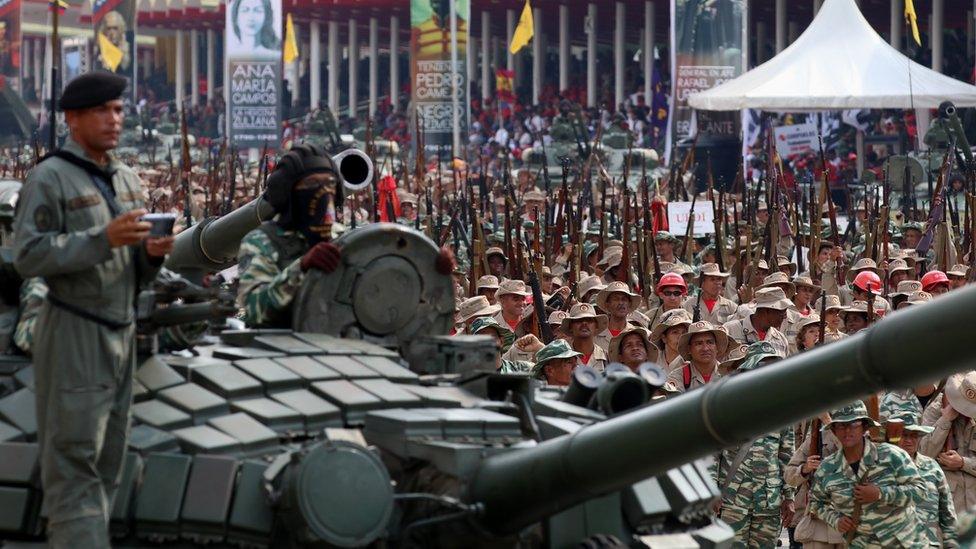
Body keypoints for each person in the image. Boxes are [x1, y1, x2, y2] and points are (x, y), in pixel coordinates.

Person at [12, 72, 174, 547]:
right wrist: (100, 239)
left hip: (121, 332)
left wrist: (151, 255)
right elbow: (30, 256)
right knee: (74, 468)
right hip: (74, 331)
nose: (114, 119)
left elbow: (134, 268)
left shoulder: (125, 179)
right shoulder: (50, 177)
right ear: (74, 118)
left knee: (108, 467)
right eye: (103, 111)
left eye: (119, 110)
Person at [808, 401, 929, 548]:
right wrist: (835, 519)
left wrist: (881, 493)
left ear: (865, 427)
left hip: (904, 542)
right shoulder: (826, 468)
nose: (847, 431)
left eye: (854, 425)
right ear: (833, 430)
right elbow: (815, 502)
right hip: (861, 543)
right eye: (841, 425)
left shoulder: (892, 456)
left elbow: (921, 491)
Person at [715, 343, 795, 548]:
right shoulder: (726, 408)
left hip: (769, 502)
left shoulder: (783, 411)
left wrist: (789, 497)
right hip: (732, 501)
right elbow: (713, 456)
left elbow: (786, 458)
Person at [889, 412, 958, 547]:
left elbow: (947, 514)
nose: (909, 440)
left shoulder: (932, 467)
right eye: (904, 434)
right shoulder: (879, 467)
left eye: (914, 435)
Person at [920, 371, 976, 513]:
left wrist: (963, 463)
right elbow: (923, 454)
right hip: (948, 504)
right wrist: (945, 421)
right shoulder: (935, 410)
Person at [723, 287, 791, 357]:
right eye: (782, 312)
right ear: (766, 311)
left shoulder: (781, 340)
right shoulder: (730, 330)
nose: (785, 316)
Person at [667, 320, 729, 393]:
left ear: (717, 347)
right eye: (699, 343)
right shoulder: (678, 376)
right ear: (689, 349)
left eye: (710, 342)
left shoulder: (727, 374)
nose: (705, 348)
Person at [594, 281, 641, 352]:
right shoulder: (596, 336)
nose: (621, 303)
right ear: (607, 305)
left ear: (629, 304)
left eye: (624, 299)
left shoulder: (639, 334)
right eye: (616, 299)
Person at [560, 302, 609, 371]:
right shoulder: (561, 356)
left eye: (589, 320)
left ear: (596, 326)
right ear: (570, 327)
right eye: (578, 320)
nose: (584, 323)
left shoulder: (606, 357)